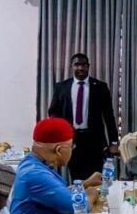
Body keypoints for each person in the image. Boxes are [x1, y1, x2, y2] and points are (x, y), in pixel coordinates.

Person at [8, 117, 101, 214]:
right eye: (71, 147)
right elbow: (79, 207)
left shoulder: (32, 163)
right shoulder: (35, 174)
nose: (72, 151)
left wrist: (85, 183)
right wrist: (91, 193)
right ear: (59, 150)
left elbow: (58, 194)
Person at [47, 52, 119, 181]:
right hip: (71, 140)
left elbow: (109, 116)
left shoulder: (100, 87)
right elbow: (53, 112)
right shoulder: (61, 87)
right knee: (76, 179)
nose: (80, 68)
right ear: (72, 66)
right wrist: (64, 128)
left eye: (84, 65)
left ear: (88, 66)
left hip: (95, 141)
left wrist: (113, 142)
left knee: (96, 179)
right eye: (77, 65)